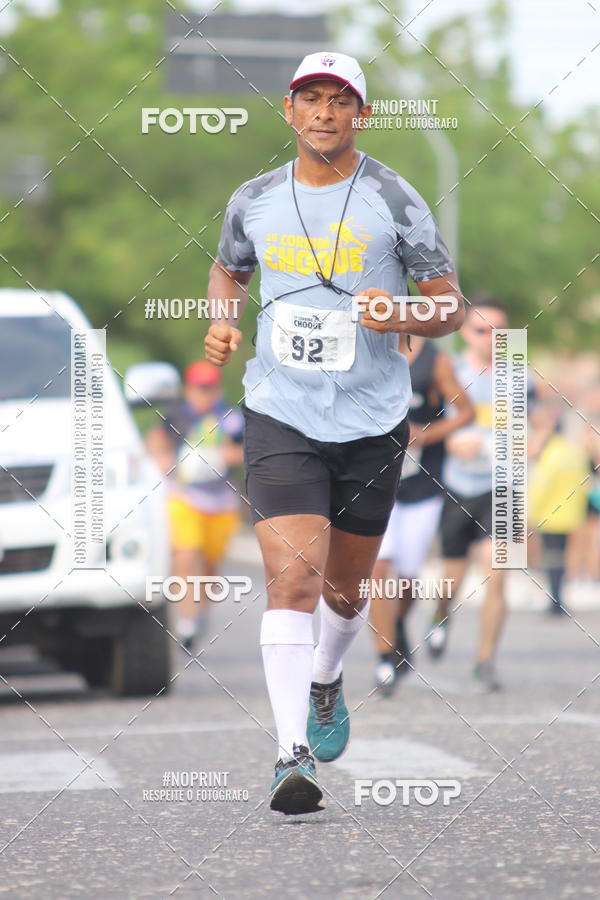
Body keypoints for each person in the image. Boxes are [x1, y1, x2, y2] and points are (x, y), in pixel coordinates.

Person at [204, 50, 465, 815]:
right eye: (310, 99)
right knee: (292, 577)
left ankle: (326, 678)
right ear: (289, 111)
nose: (324, 112)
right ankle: (290, 754)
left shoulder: (394, 197)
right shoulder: (253, 198)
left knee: (346, 591)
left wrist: (405, 313)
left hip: (373, 417)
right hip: (280, 409)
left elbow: (448, 303)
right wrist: (223, 321)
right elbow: (229, 270)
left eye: (339, 100)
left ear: (362, 115)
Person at [426, 295, 536, 692]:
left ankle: (485, 660)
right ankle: (439, 617)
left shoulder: (521, 376)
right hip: (458, 485)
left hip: (504, 486)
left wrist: (532, 442)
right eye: (481, 330)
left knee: (498, 572)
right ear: (465, 333)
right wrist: (452, 443)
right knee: (450, 578)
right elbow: (427, 427)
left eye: (499, 332)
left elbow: (538, 424)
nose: (491, 339)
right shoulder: (448, 371)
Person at [370, 335, 474, 694]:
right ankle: (384, 658)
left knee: (408, 579)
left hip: (422, 486)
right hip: (374, 482)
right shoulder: (360, 350)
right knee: (380, 567)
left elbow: (467, 412)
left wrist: (426, 434)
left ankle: (396, 625)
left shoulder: (436, 361)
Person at [146, 360, 244, 649]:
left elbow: (248, 450)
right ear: (189, 389)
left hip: (221, 502)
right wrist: (160, 458)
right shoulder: (176, 415)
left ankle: (200, 612)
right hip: (185, 497)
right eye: (199, 388)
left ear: (219, 388)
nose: (205, 394)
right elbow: (155, 440)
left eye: (210, 388)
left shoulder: (231, 418)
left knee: (211, 564)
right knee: (186, 555)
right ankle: (186, 621)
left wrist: (226, 456)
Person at [528, 405, 589, 614]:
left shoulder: (552, 454)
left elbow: (541, 486)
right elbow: (584, 482)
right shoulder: (574, 451)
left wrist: (531, 513)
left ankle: (555, 601)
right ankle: (558, 599)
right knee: (561, 557)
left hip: (550, 514)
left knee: (552, 557)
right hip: (571, 514)